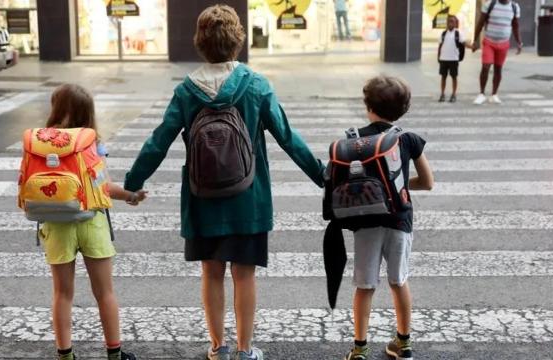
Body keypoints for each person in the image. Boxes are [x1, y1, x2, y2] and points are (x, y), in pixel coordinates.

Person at [123, 5, 324, 360]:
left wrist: (132, 183)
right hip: (249, 198)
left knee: (211, 272)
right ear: (238, 40)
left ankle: (218, 348)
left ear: (200, 42)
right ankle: (245, 350)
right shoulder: (256, 85)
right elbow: (288, 138)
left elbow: (160, 139)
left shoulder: (186, 91)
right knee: (244, 275)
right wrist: (323, 176)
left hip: (202, 199)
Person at [40, 84, 147, 360]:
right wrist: (131, 195)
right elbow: (103, 186)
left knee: (62, 293)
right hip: (91, 221)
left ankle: (65, 356)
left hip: (55, 223)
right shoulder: (91, 142)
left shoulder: (40, 142)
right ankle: (114, 354)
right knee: (105, 292)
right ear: (88, 113)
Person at [343, 76, 434, 360]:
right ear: (403, 109)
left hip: (367, 220)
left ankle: (359, 348)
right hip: (399, 220)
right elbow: (428, 182)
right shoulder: (408, 139)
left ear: (368, 106)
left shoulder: (355, 139)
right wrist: (401, 185)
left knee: (365, 285)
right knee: (398, 281)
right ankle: (403, 343)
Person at [472, 0, 522, 105]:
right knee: (485, 66)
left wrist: (519, 42)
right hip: (489, 42)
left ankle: (494, 95)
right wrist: (475, 41)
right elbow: (480, 23)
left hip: (503, 44)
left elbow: (515, 26)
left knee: (498, 69)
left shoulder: (514, 7)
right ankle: (481, 94)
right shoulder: (490, 4)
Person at [437, 15, 468, 103]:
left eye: (452, 21)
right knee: (443, 77)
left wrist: (472, 46)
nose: (450, 23)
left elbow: (464, 43)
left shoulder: (458, 34)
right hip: (443, 59)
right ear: (447, 23)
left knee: (454, 77)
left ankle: (453, 94)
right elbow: (440, 46)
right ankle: (442, 94)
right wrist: (438, 57)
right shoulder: (443, 34)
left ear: (455, 23)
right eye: (449, 21)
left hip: (453, 59)